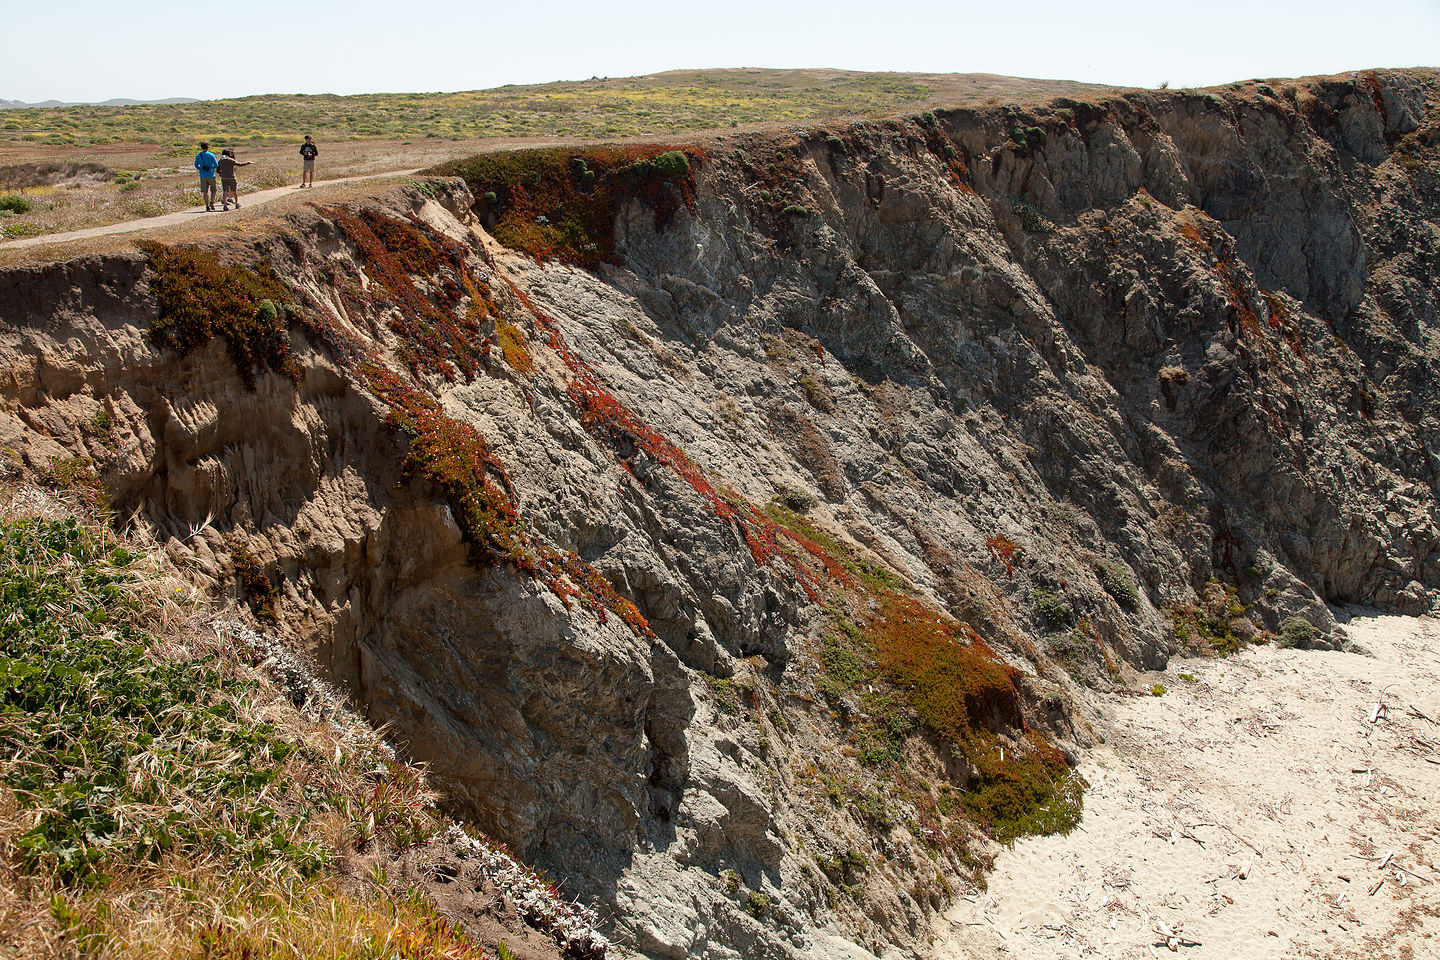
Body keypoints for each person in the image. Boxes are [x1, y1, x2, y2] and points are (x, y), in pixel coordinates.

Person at [194, 142, 219, 211]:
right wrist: (211, 168)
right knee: (213, 190)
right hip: (211, 174)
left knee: (205, 191)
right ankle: (212, 202)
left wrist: (201, 169)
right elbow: (216, 165)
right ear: (208, 147)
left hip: (202, 175)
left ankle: (207, 205)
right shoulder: (211, 155)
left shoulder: (198, 155)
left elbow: (196, 165)